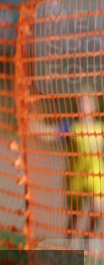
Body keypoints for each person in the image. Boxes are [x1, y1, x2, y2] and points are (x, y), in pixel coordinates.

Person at [28, 89, 104, 240]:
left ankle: (87, 239)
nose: (83, 109)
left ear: (93, 108)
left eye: (87, 105)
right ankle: (69, 243)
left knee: (99, 209)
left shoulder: (100, 128)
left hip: (96, 176)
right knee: (74, 217)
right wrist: (32, 125)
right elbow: (49, 134)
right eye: (81, 105)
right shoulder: (71, 127)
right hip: (75, 178)